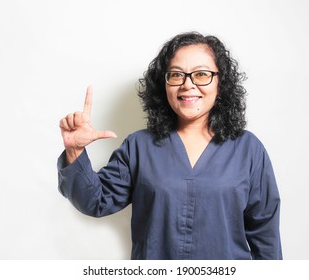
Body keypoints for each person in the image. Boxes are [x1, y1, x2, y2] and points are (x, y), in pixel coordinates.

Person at [57, 32, 282, 260]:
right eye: (176, 75)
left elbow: (265, 236)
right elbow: (96, 201)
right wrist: (74, 152)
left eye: (201, 74)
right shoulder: (139, 147)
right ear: (163, 84)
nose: (188, 84)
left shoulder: (248, 150)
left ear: (220, 81)